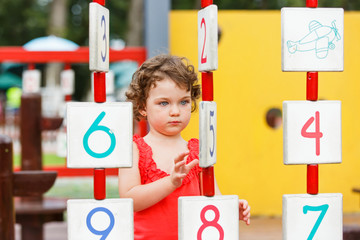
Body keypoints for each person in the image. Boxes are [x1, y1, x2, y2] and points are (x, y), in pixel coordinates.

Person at [118, 55, 250, 239]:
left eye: (184, 102)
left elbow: (212, 196)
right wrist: (170, 182)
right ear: (142, 107)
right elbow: (129, 199)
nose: (175, 111)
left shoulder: (197, 151)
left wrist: (229, 208)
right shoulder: (135, 149)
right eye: (163, 103)